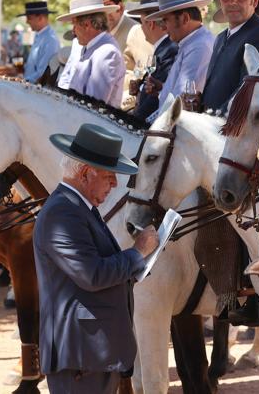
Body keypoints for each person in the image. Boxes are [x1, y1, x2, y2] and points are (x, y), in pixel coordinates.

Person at [34, 123, 159, 394]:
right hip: (81, 354)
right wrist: (138, 253)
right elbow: (92, 274)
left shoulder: (77, 208)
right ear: (85, 173)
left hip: (90, 353)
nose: (115, 184)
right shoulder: (63, 213)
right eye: (109, 176)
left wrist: (137, 263)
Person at [145, 0, 215, 120]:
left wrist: (148, 123)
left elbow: (181, 103)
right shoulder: (192, 43)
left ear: (185, 18)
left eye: (165, 21)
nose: (163, 28)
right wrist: (162, 89)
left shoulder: (199, 46)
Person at [87, 0, 153, 110]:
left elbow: (147, 73)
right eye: (98, 12)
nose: (104, 15)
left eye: (108, 8)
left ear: (120, 8)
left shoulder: (134, 31)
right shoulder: (100, 35)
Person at [57, 0, 126, 108]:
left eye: (74, 24)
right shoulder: (94, 47)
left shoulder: (106, 52)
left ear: (87, 25)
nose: (73, 31)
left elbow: (92, 107)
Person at [126, 0, 179, 121]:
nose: (141, 28)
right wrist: (140, 87)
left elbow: (155, 99)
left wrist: (134, 121)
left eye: (142, 23)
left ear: (150, 24)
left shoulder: (169, 50)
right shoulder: (163, 49)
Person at [18, 1, 60, 83]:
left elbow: (42, 73)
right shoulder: (40, 36)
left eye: (29, 18)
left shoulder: (50, 40)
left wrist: (21, 81)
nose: (27, 21)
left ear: (40, 18)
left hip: (36, 92)